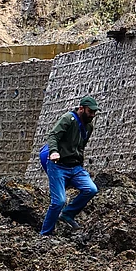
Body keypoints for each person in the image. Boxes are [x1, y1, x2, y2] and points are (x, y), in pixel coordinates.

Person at [39, 96, 100, 236]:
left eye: (94, 112)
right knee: (58, 201)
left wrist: (80, 165)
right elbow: (53, 136)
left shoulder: (89, 126)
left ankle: (68, 214)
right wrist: (54, 152)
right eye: (90, 112)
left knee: (91, 189)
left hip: (75, 168)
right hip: (58, 166)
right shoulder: (68, 119)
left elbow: (81, 147)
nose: (93, 115)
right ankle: (45, 234)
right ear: (81, 109)